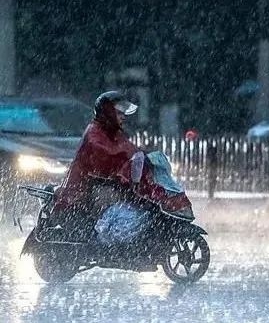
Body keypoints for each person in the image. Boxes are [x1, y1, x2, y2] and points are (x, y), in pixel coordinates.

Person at [51, 91, 194, 229]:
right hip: (86, 193)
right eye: (119, 113)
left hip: (105, 186)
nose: (124, 116)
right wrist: (129, 160)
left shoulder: (112, 132)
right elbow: (108, 154)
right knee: (125, 208)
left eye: (124, 113)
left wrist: (145, 156)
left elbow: (128, 149)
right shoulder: (94, 133)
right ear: (108, 113)